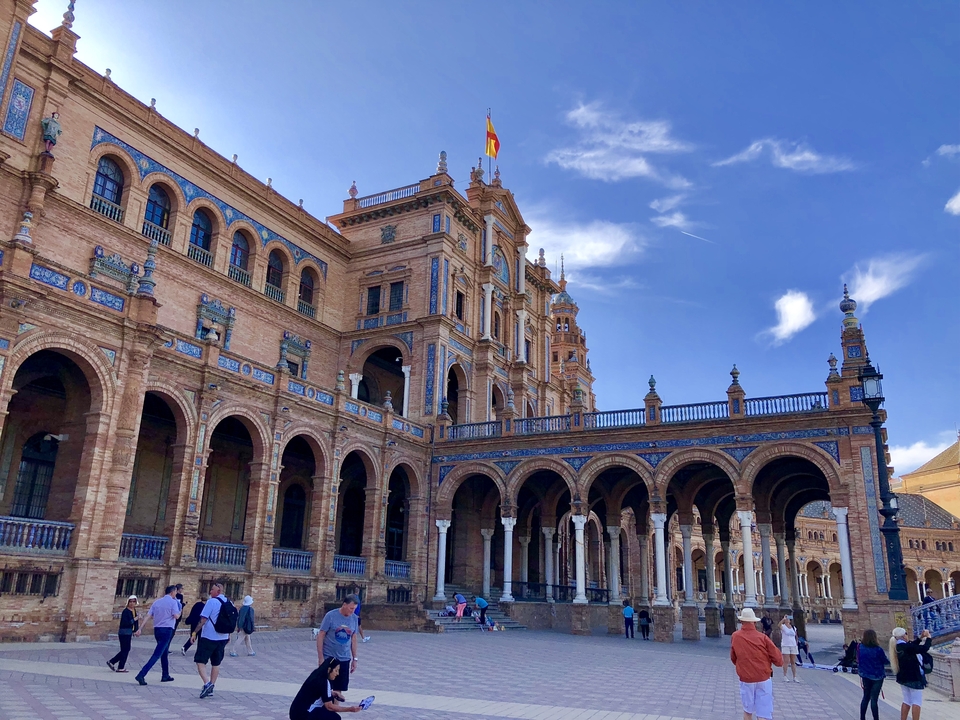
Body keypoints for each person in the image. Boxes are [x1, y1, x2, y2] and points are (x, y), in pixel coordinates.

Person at [730, 607, 783, 720]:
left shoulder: (735, 636)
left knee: (747, 711)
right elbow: (778, 660)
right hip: (763, 677)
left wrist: (743, 666)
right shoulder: (762, 637)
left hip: (746, 678)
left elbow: (733, 658)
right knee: (763, 713)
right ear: (754, 621)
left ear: (741, 621)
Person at [192, 581, 235, 699]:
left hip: (209, 637)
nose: (210, 592)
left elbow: (203, 619)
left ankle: (207, 683)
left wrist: (195, 632)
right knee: (216, 663)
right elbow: (230, 621)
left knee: (200, 660)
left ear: (218, 591)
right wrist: (229, 635)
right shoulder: (229, 602)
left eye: (212, 590)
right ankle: (212, 686)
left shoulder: (211, 602)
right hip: (223, 637)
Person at [316, 595, 361, 702]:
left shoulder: (354, 618)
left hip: (344, 658)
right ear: (344, 605)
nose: (352, 611)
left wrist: (355, 659)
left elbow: (354, 639)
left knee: (338, 689)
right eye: (351, 608)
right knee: (325, 687)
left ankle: (334, 712)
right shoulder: (331, 616)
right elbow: (321, 635)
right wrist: (321, 657)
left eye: (354, 609)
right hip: (329, 657)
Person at [134, 585, 181, 686]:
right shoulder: (174, 602)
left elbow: (148, 616)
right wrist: (180, 610)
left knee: (164, 652)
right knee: (157, 654)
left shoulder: (157, 602)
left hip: (157, 630)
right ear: (173, 592)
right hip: (167, 630)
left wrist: (140, 628)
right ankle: (141, 674)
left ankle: (165, 675)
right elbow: (176, 616)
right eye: (176, 592)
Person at [290, 658, 361, 719]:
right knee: (335, 718)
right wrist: (350, 709)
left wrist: (332, 693)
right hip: (304, 714)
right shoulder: (324, 681)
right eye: (336, 670)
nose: (337, 674)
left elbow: (315, 691)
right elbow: (329, 706)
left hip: (294, 712)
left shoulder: (316, 674)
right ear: (329, 669)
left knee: (331, 699)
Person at [890, 626, 932, 720]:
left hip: (903, 677)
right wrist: (928, 638)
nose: (907, 635)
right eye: (906, 633)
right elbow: (923, 648)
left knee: (907, 700)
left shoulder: (898, 645)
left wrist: (920, 638)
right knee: (916, 701)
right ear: (903, 636)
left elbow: (912, 647)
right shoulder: (905, 646)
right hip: (913, 677)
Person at [857, 629, 889, 720]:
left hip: (865, 674)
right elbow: (885, 661)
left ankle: (862, 718)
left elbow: (859, 660)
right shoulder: (878, 649)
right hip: (877, 676)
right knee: (874, 699)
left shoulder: (860, 647)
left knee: (866, 697)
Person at [107, 595, 141, 673]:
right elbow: (126, 623)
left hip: (129, 633)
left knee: (125, 649)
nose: (132, 603)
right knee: (125, 649)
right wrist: (135, 619)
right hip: (124, 633)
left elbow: (135, 623)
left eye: (133, 602)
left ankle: (113, 662)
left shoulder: (134, 611)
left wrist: (136, 631)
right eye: (130, 602)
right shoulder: (125, 611)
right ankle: (119, 666)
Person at [779, 615, 800, 682]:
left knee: (793, 661)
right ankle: (785, 676)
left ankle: (794, 677)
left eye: (788, 619)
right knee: (786, 661)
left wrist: (796, 643)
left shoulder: (793, 627)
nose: (788, 620)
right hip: (786, 645)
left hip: (793, 645)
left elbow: (796, 636)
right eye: (786, 619)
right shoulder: (783, 627)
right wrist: (783, 619)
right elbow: (779, 625)